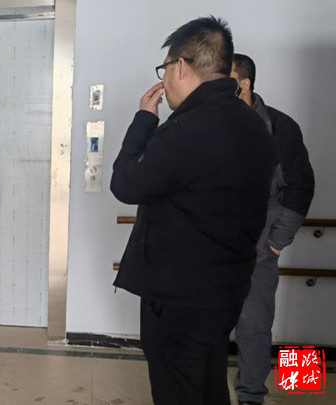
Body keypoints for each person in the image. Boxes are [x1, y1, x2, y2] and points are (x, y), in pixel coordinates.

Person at [110, 17, 277, 404]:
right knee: (208, 383)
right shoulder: (255, 127)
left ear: (181, 66)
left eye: (165, 68)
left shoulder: (187, 129)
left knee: (179, 390)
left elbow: (125, 184)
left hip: (179, 299)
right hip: (226, 290)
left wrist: (144, 120)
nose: (165, 79)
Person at [230, 53, 315, 405]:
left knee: (254, 325)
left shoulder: (281, 127)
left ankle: (251, 395)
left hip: (259, 249)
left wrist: (276, 241)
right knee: (206, 322)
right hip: (212, 245)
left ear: (244, 84)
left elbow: (301, 187)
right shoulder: (209, 125)